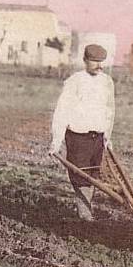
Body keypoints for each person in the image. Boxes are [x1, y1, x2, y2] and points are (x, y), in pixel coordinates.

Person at [50, 44, 115, 221]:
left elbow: (109, 111)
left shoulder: (107, 82)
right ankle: (85, 215)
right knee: (80, 176)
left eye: (101, 61)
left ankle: (86, 211)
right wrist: (56, 140)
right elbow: (62, 111)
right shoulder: (75, 81)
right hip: (79, 136)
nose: (98, 65)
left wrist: (108, 136)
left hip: (98, 137)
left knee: (93, 175)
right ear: (85, 60)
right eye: (94, 61)